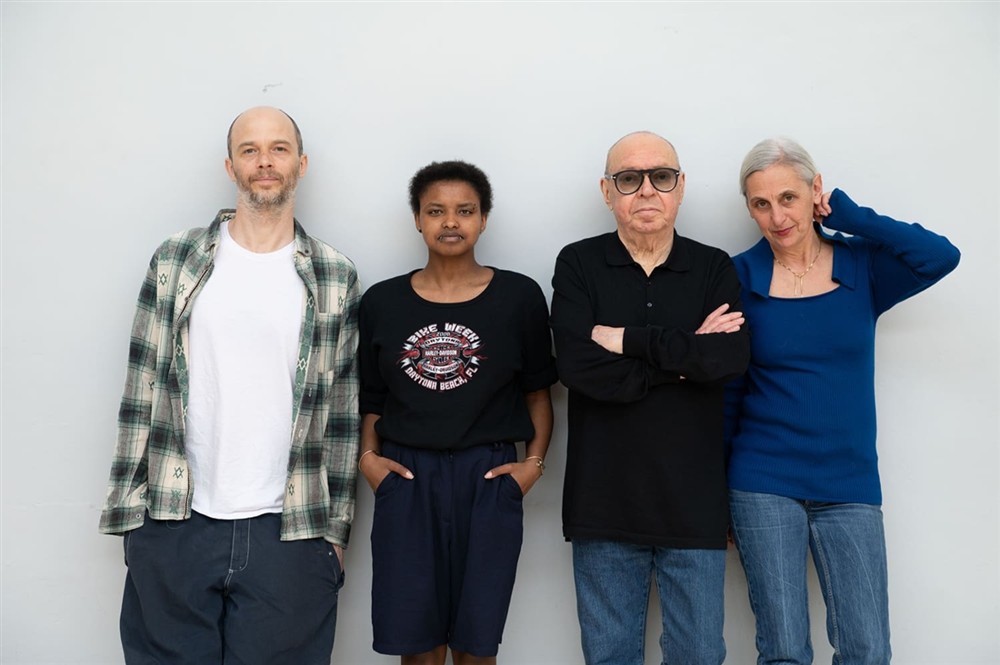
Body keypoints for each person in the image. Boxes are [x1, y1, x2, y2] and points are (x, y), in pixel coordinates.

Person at [98, 106, 360, 664]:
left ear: (301, 163)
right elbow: (140, 385)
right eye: (250, 149)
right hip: (177, 520)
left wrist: (334, 534)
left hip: (290, 528)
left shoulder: (335, 275)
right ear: (230, 165)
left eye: (279, 148)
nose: (265, 161)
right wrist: (132, 517)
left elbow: (343, 412)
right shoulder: (177, 260)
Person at [725, 137, 961, 665]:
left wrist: (852, 217)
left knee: (866, 649)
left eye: (788, 198)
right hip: (762, 482)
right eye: (760, 204)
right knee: (783, 650)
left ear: (815, 193)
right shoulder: (738, 277)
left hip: (849, 484)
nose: (777, 216)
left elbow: (941, 256)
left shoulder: (863, 268)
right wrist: (718, 494)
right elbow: (728, 392)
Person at [550, 131, 750, 665]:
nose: (646, 191)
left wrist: (626, 342)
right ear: (607, 191)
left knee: (699, 656)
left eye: (661, 177)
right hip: (603, 502)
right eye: (629, 179)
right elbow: (575, 368)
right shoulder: (577, 264)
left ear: (680, 187)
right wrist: (683, 361)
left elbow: (726, 361)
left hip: (694, 503)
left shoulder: (713, 267)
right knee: (610, 657)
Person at [358, 160, 557, 665]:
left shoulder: (519, 297)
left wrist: (530, 468)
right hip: (406, 476)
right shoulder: (382, 301)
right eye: (436, 211)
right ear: (417, 219)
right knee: (417, 645)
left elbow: (539, 392)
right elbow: (372, 398)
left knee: (476, 642)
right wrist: (369, 461)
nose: (451, 222)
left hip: (487, 477)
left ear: (484, 219)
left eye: (465, 210)